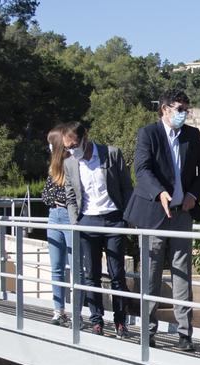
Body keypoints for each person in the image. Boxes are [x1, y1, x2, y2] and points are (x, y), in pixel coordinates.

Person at [125, 90, 200, 351]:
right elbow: (141, 169)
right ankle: (148, 331)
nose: (184, 113)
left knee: (182, 274)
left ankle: (185, 334)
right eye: (179, 108)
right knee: (150, 273)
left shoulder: (192, 135)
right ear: (164, 109)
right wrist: (159, 192)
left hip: (182, 214)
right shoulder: (148, 133)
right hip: (154, 213)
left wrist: (192, 195)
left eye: (186, 108)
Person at [61, 121, 133, 337]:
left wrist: (126, 219)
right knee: (90, 274)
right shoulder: (70, 163)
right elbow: (70, 194)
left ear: (85, 138)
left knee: (117, 274)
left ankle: (121, 321)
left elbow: (126, 187)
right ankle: (96, 320)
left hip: (113, 221)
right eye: (67, 147)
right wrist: (76, 221)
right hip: (87, 223)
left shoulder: (111, 154)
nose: (72, 150)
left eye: (74, 145)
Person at [40, 126, 76, 326]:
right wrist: (58, 198)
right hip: (54, 216)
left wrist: (60, 198)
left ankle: (77, 312)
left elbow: (71, 196)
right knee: (56, 267)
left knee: (76, 266)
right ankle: (58, 310)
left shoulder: (74, 163)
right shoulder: (54, 167)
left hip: (69, 217)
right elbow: (46, 195)